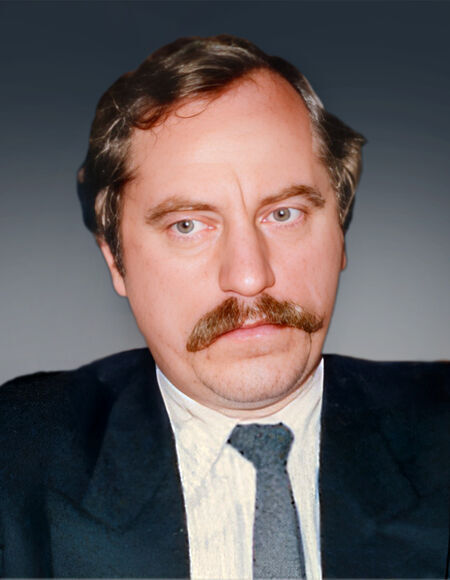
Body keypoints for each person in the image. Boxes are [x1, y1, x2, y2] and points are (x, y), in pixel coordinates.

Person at [0, 35, 448, 579]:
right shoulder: (13, 461)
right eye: (188, 225)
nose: (250, 277)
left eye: (283, 214)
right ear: (116, 260)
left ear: (341, 230)